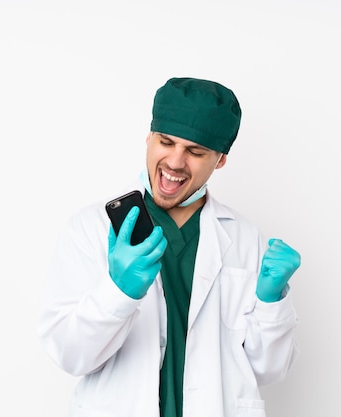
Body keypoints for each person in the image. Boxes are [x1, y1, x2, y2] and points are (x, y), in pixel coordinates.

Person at [37, 77, 301, 417]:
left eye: (195, 151)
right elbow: (70, 355)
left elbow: (269, 370)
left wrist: (272, 303)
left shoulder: (248, 241)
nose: (176, 162)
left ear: (219, 160)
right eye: (166, 142)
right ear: (148, 139)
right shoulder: (90, 228)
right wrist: (119, 292)